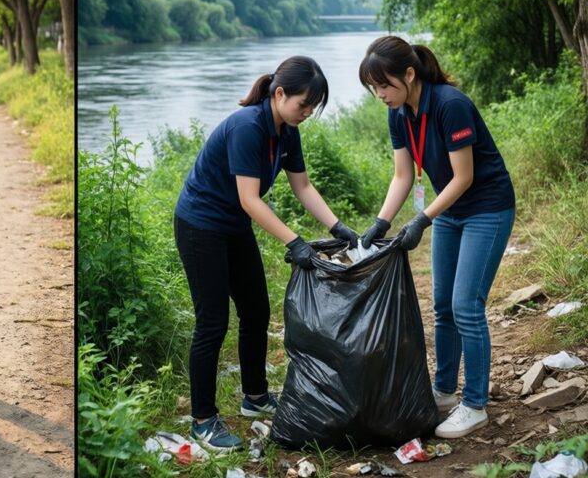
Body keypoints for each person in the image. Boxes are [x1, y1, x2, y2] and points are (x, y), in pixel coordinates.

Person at [173, 56, 359, 452]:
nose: (307, 113)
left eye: (313, 107)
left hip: (233, 226)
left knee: (256, 310)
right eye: (303, 104)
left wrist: (338, 227)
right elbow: (250, 199)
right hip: (200, 226)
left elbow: (302, 186)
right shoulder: (248, 127)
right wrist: (295, 242)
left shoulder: (287, 130)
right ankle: (202, 421)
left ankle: (255, 397)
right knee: (212, 323)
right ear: (279, 94)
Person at [357, 36, 515, 439]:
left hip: (486, 208)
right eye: (373, 88)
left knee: (466, 306)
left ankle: (475, 405)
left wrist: (421, 220)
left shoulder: (450, 105)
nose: (380, 95)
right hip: (450, 212)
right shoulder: (398, 114)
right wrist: (381, 223)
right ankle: (444, 391)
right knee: (442, 306)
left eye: (384, 85)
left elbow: (464, 177)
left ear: (409, 75)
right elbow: (402, 176)